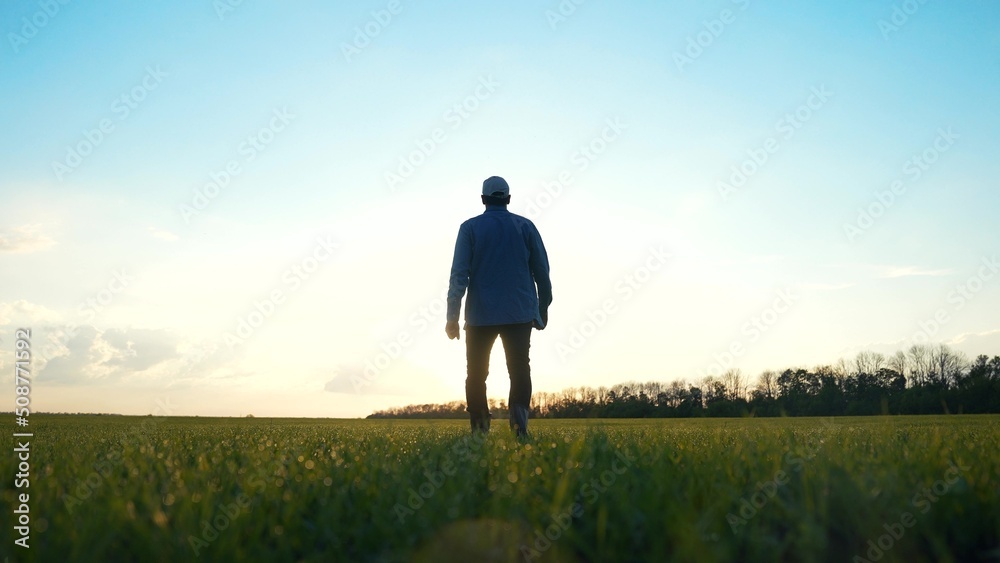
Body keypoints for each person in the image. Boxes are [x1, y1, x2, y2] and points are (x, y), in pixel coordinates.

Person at [446, 176, 552, 437]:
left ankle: (480, 431)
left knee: (476, 374)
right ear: (508, 199)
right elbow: (542, 273)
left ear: (483, 200)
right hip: (519, 313)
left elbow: (459, 275)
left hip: (480, 315)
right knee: (519, 369)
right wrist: (542, 309)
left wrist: (452, 316)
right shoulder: (525, 226)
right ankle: (519, 428)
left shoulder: (469, 228)